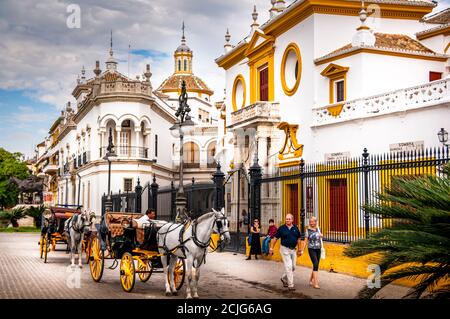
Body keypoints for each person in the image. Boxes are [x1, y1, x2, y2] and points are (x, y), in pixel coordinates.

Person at [269, 213, 304, 291]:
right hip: (284, 249)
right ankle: (290, 285)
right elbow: (275, 238)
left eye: (289, 219)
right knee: (288, 266)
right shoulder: (282, 228)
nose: (287, 220)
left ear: (292, 220)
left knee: (293, 267)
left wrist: (299, 249)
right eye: (286, 219)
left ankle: (283, 278)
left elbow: (298, 239)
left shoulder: (295, 228)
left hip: (293, 249)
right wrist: (271, 248)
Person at [300, 216, 323, 289]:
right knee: (315, 263)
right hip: (311, 249)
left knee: (316, 265)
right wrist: (302, 250)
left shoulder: (318, 229)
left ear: (316, 222)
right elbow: (305, 241)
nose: (312, 223)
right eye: (310, 222)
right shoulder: (308, 230)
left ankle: (310, 280)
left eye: (313, 221)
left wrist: (321, 235)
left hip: (318, 249)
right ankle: (315, 283)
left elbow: (320, 237)